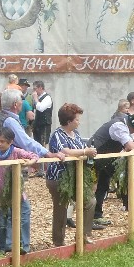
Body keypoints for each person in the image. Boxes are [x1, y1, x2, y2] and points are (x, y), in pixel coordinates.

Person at [45, 103, 98, 246]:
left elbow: (82, 149)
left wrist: (88, 152)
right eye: (77, 119)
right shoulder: (57, 134)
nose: (79, 122)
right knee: (61, 209)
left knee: (90, 201)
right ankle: (58, 242)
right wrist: (85, 152)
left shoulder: (76, 134)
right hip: (58, 178)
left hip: (76, 177)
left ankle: (84, 235)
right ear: (69, 121)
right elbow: (65, 151)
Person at [0, 127, 40, 255]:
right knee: (2, 221)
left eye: (2, 141)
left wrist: (29, 162)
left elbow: (34, 155)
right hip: (1, 194)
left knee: (22, 216)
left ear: (10, 142)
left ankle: (23, 245)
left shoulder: (16, 152)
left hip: (17, 193)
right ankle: (4, 246)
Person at [90, 98, 134, 226]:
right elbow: (130, 146)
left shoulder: (125, 124)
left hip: (107, 158)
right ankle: (91, 217)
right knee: (96, 186)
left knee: (105, 185)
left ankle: (97, 215)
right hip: (96, 156)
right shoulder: (119, 125)